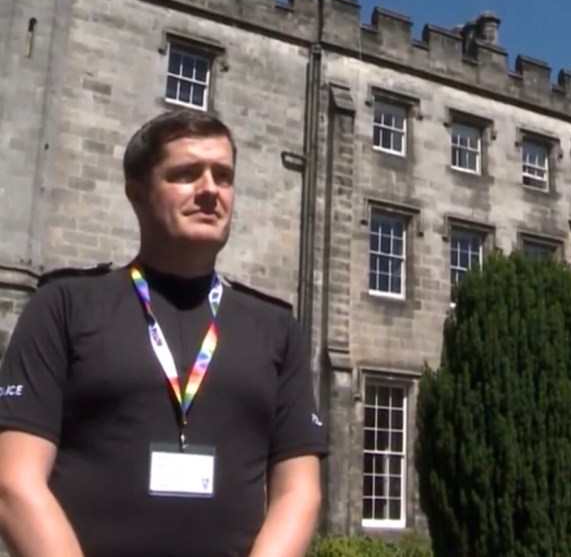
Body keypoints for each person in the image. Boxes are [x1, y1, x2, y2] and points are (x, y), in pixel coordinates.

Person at [0, 110, 327, 557]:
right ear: (137, 194)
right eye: (186, 174)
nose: (210, 189)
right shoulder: (64, 306)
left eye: (224, 176)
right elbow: (13, 481)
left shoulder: (276, 328)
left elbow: (299, 492)